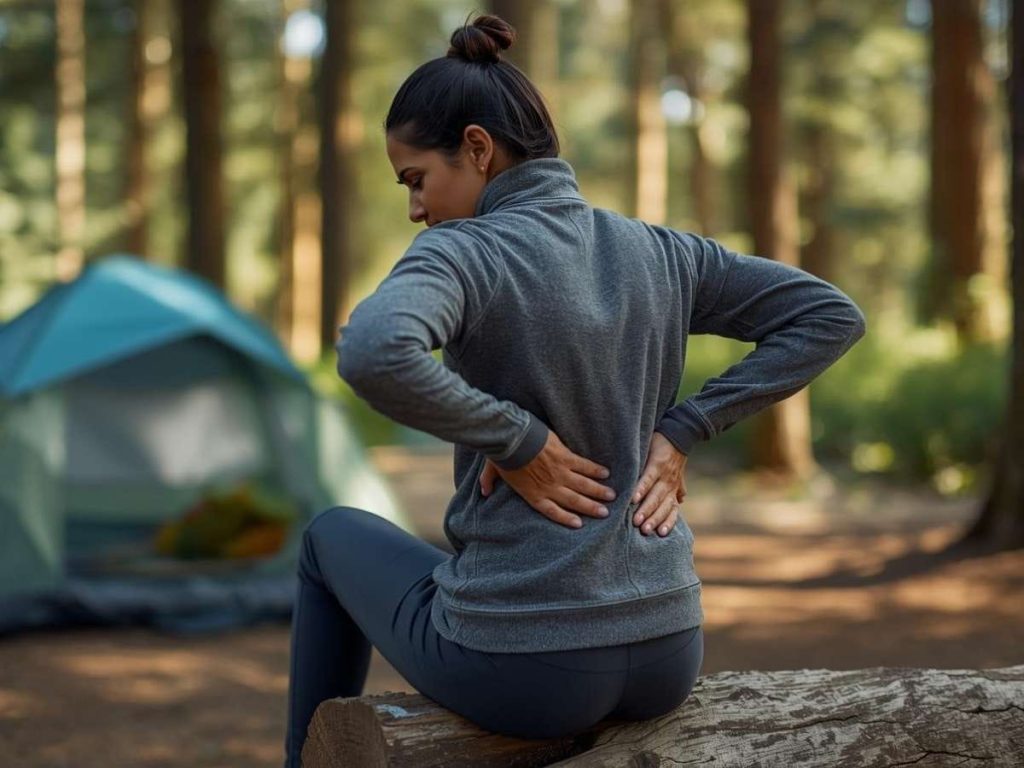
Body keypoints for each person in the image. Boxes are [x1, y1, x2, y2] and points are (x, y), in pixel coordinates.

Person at [283, 13, 866, 766]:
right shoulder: (659, 249)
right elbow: (829, 313)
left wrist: (518, 442)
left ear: (478, 149)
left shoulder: (465, 252)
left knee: (328, 536)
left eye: (415, 180)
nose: (415, 210)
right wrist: (686, 428)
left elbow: (371, 351)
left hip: (525, 672)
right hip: (667, 652)